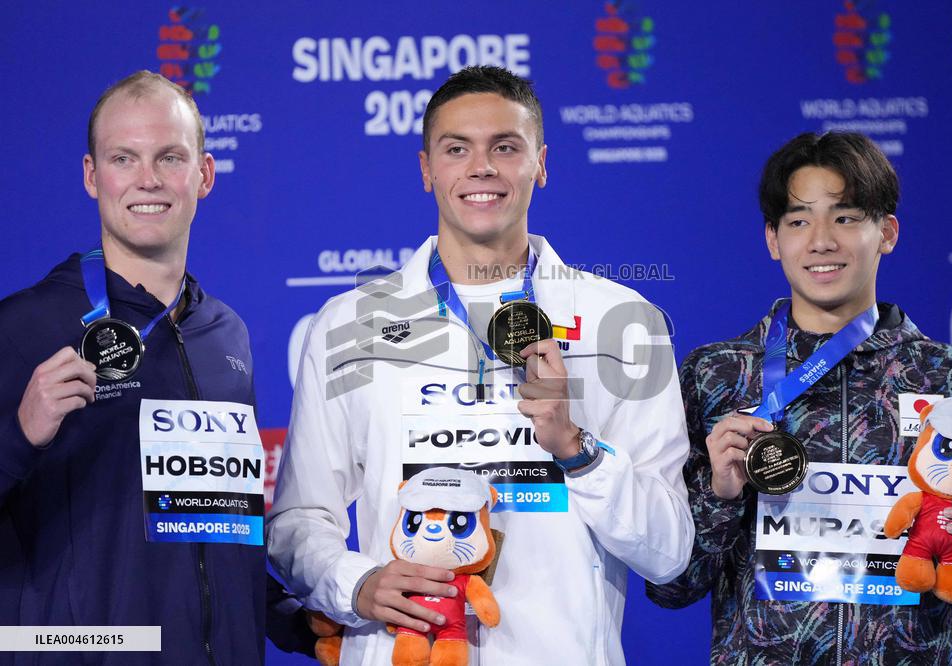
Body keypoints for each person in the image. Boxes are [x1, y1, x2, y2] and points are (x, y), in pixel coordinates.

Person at [267, 65, 693, 665]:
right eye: (456, 149)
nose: (481, 168)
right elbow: (301, 520)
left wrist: (578, 450)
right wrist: (355, 583)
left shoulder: (624, 322)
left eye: (505, 147)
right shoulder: (349, 323)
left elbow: (669, 549)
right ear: (426, 169)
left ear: (541, 164)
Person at [646, 131, 952, 664]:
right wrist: (720, 495)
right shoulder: (716, 374)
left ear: (888, 232)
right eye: (798, 220)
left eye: (846, 216)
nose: (821, 240)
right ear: (772, 239)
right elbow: (671, 588)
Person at [0, 70, 277, 664]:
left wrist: (303, 617)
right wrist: (19, 435)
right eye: (124, 158)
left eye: (169, 157)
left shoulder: (225, 334)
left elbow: (223, 530)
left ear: (203, 175)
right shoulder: (22, 327)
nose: (148, 179)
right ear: (91, 176)